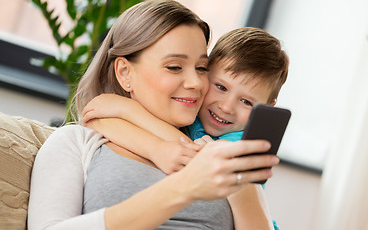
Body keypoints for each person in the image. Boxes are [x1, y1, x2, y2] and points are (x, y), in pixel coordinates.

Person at [28, 0, 279, 230]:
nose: (195, 82)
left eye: (202, 68)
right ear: (125, 73)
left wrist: (241, 186)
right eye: (174, 67)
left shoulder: (225, 158)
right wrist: (180, 188)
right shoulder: (77, 142)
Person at [82, 27, 288, 230]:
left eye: (246, 101)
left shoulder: (243, 143)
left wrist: (127, 110)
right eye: (221, 87)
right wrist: (102, 121)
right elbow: (96, 122)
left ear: (265, 110)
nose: (226, 107)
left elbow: (202, 157)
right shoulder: (190, 114)